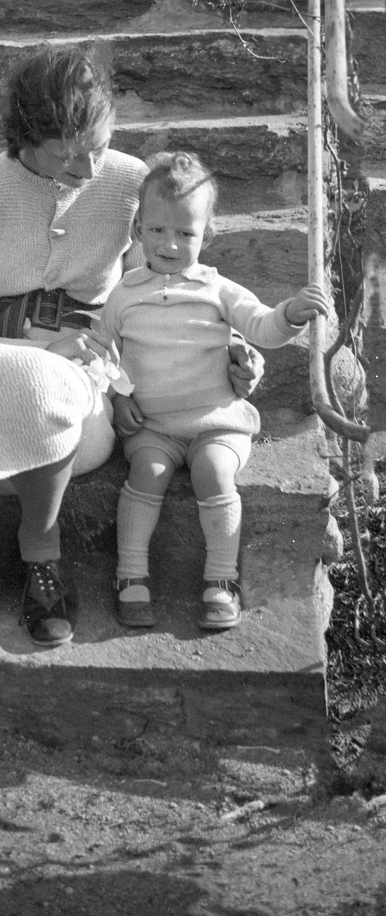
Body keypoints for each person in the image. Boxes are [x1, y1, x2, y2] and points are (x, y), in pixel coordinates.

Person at [0, 49, 262, 648]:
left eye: (100, 146)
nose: (90, 170)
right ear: (25, 140)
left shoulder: (129, 180)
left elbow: (170, 291)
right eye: (69, 154)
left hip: (80, 390)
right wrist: (18, 348)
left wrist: (231, 348)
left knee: (48, 384)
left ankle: (42, 551)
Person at [100, 150, 329, 632]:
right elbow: (107, 356)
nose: (170, 243)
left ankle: (221, 580)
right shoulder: (123, 294)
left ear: (208, 234)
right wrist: (119, 398)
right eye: (159, 230)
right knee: (147, 471)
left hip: (216, 422)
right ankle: (131, 575)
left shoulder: (217, 289)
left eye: (186, 233)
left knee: (214, 471)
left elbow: (262, 326)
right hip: (153, 427)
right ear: (138, 228)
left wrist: (289, 313)